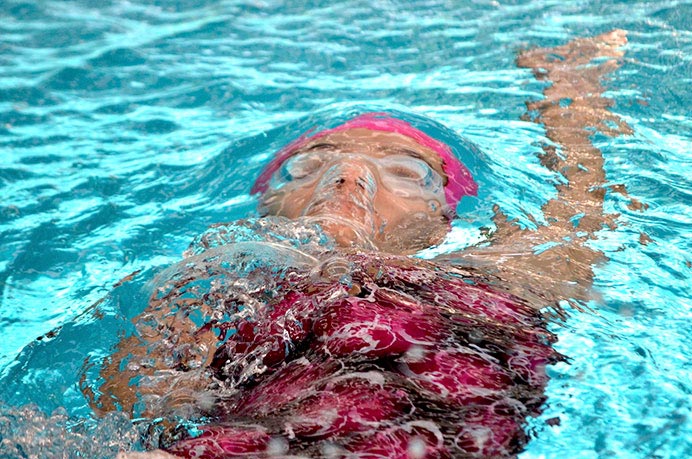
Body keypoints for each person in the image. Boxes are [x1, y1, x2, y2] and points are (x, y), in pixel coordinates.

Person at [101, 30, 632, 458]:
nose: (349, 173)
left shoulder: (495, 273)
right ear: (266, 207)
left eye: (404, 172)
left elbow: (579, 206)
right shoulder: (217, 281)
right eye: (306, 167)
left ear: (441, 224)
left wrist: (572, 101)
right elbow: (136, 404)